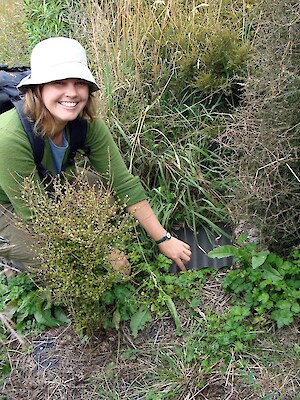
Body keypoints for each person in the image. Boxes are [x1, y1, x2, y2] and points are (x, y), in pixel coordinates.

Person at [0, 37, 192, 278]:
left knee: (105, 194)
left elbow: (121, 182)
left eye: (79, 83)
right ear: (38, 89)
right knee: (53, 263)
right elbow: (36, 214)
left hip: (50, 183)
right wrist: (102, 249)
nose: (71, 93)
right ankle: (10, 257)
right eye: (59, 83)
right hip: (8, 203)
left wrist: (164, 238)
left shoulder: (86, 124)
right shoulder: (9, 137)